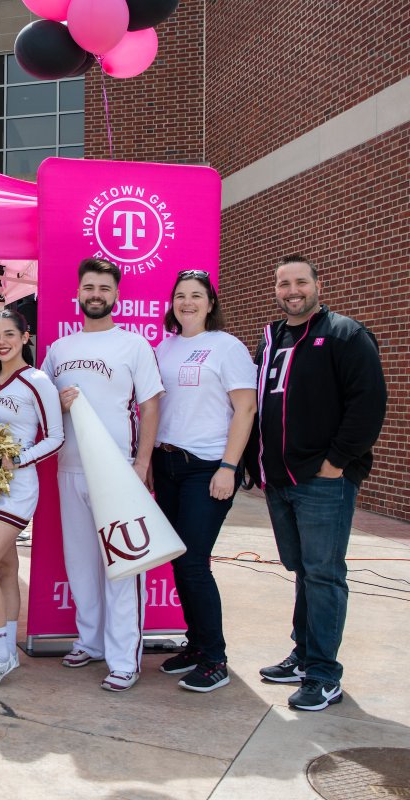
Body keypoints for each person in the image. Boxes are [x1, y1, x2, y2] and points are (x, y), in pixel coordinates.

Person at [252, 255, 386, 711]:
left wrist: (336, 463)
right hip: (280, 480)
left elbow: (368, 404)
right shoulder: (271, 339)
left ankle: (325, 675)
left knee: (325, 575)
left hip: (324, 480)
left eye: (300, 282)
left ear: (318, 285)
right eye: (283, 282)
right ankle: (305, 655)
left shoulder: (347, 335)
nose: (292, 290)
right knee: (305, 572)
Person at [42, 257, 164, 693]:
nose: (95, 294)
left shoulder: (133, 345)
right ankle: (90, 640)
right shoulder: (59, 349)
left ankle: (123, 658)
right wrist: (58, 401)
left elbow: (150, 405)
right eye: (89, 287)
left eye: (104, 289)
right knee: (80, 561)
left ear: (116, 296)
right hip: (70, 468)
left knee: (123, 566)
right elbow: (44, 407)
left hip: (118, 472)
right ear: (78, 293)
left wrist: (142, 463)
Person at [151, 271, 256, 693]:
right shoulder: (166, 347)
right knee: (180, 559)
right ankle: (195, 645)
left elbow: (245, 410)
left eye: (196, 296)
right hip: (167, 464)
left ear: (211, 303)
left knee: (194, 562)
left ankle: (215, 658)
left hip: (207, 466)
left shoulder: (226, 347)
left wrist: (229, 468)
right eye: (180, 296)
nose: (188, 302)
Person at [0, 309, 63, 690]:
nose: (1, 341)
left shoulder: (37, 381)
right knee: (4, 570)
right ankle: (8, 655)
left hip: (17, 489)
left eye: (9, 334)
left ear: (26, 337)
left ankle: (0, 656)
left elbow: (56, 437)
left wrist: (17, 459)